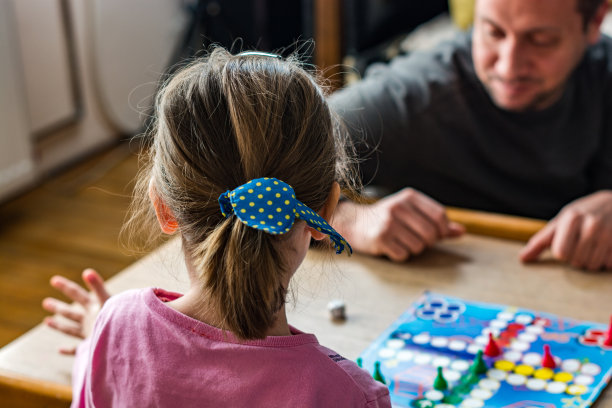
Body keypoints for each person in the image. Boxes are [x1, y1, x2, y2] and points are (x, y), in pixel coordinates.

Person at [42, 49, 391, 408]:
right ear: (327, 211)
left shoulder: (116, 325)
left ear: (163, 206)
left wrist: (100, 338)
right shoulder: (348, 395)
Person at [329, 0, 612, 271]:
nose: (508, 67)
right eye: (493, 32)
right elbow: (284, 159)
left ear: (595, 21)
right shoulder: (416, 96)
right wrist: (349, 221)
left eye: (540, 40)